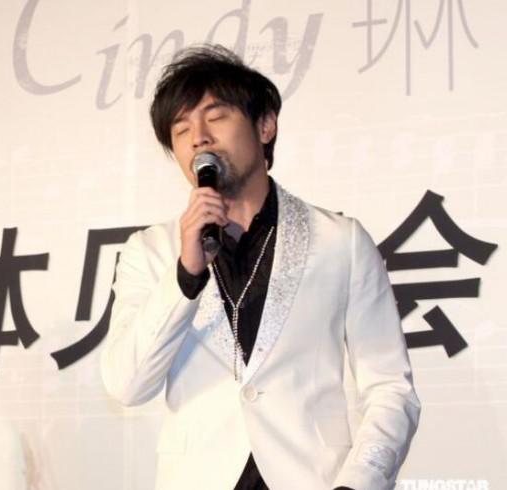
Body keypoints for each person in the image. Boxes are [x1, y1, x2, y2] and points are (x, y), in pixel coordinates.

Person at [100, 45, 420, 490]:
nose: (199, 138)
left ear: (266, 125)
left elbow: (390, 388)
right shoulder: (149, 252)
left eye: (215, 116)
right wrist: (185, 275)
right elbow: (127, 386)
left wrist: (359, 482)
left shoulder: (340, 242)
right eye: (181, 128)